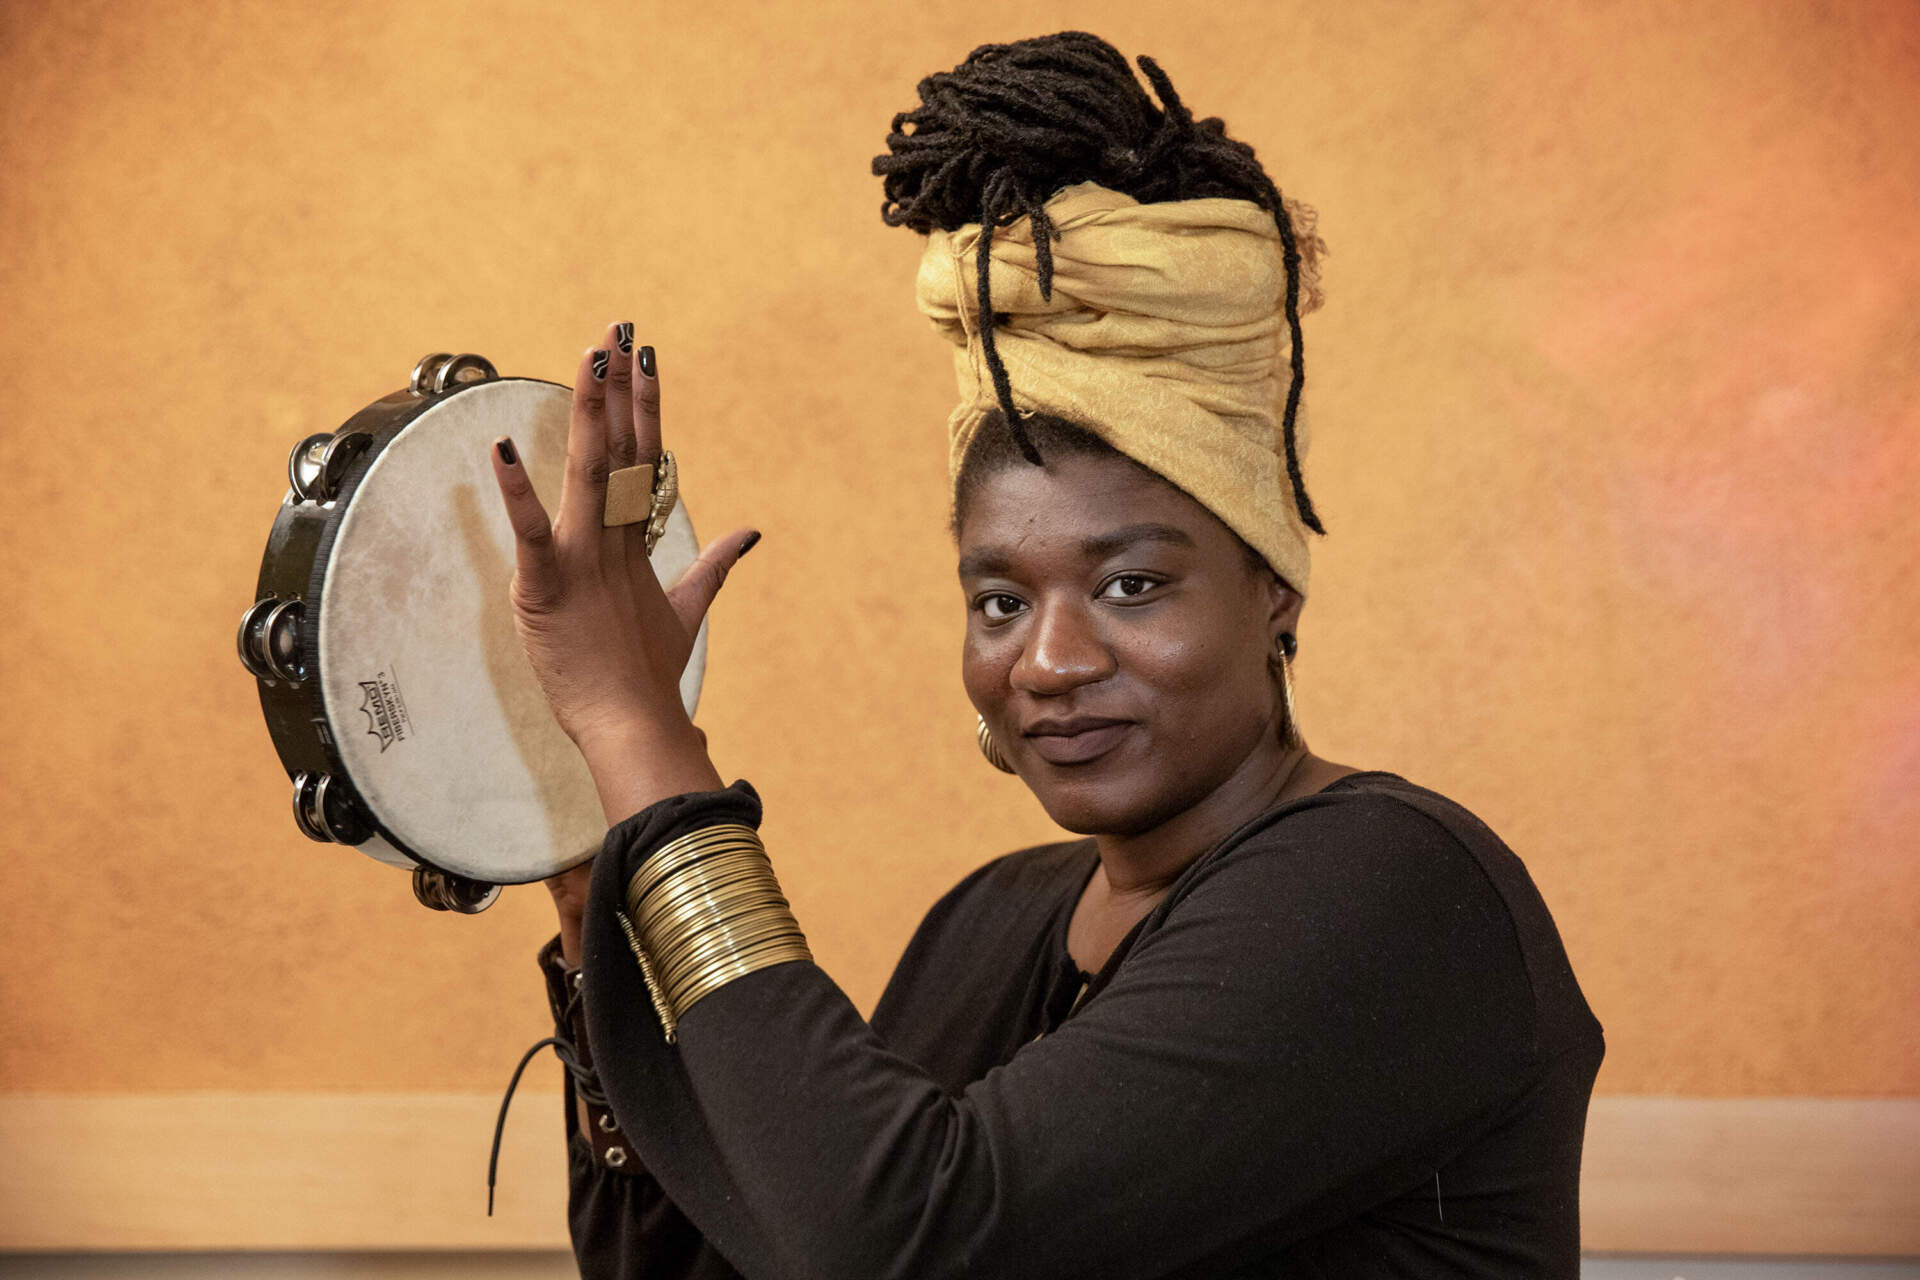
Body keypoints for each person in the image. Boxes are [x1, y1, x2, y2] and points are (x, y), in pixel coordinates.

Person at [488, 31, 1604, 1280]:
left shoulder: (1394, 892)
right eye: (1000, 599)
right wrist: (602, 871)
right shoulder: (990, 921)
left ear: (1273, 591)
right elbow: (710, 1264)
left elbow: (904, 1240)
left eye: (1132, 583)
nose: (1052, 659)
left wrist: (653, 745)